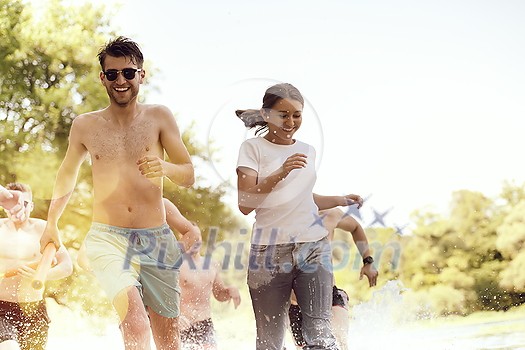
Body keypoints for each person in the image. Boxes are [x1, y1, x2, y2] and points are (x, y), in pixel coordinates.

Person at [39, 36, 196, 350]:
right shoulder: (85, 126)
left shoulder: (159, 117)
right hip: (107, 238)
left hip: (156, 238)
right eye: (112, 74)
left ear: (141, 75)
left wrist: (166, 169)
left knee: (168, 339)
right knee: (135, 323)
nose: (121, 80)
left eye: (128, 72)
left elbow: (188, 175)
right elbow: (66, 175)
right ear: (102, 78)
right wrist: (51, 223)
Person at [235, 82, 363, 350]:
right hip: (269, 252)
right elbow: (246, 203)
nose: (291, 122)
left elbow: (303, 198)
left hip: (312, 248)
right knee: (270, 343)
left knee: (320, 337)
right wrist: (280, 172)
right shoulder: (252, 149)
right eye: (283, 115)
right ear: (267, 114)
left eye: (297, 115)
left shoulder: (308, 150)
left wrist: (341, 200)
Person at [288, 207, 379, 350]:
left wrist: (368, 261)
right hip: (297, 302)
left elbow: (355, 227)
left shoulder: (330, 213)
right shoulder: (284, 215)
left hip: (329, 295)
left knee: (339, 342)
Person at [0, 182, 73, 350]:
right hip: (2, 307)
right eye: (12, 204)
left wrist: (41, 275)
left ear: (31, 205)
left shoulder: (44, 229)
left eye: (23, 203)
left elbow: (66, 266)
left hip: (34, 308)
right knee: (9, 347)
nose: (17, 209)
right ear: (4, 206)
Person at [164, 199, 241, 350]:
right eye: (192, 236)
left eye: (198, 236)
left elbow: (219, 294)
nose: (196, 240)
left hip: (205, 324)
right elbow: (165, 296)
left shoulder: (211, 264)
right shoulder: (176, 264)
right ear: (183, 238)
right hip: (182, 323)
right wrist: (175, 318)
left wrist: (229, 291)